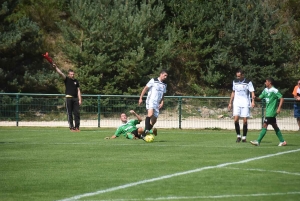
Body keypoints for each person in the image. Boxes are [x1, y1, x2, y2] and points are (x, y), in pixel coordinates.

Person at [250, 77, 287, 146]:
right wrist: (255, 98)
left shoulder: (274, 90)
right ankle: (282, 141)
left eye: (266, 81)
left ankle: (258, 141)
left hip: (271, 112)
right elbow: (260, 98)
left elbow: (282, 98)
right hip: (268, 111)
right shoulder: (265, 90)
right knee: (275, 126)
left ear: (269, 82)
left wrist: (279, 108)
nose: (265, 83)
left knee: (265, 125)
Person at [138, 69, 168, 138]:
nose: (166, 77)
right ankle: (146, 131)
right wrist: (140, 98)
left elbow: (163, 94)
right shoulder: (153, 80)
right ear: (161, 74)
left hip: (157, 103)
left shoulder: (164, 84)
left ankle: (144, 134)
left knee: (154, 120)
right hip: (151, 100)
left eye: (166, 76)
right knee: (150, 114)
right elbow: (145, 88)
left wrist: (162, 102)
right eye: (165, 75)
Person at [228, 69, 255, 143]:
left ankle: (244, 137)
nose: (238, 78)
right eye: (237, 76)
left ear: (242, 75)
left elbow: (252, 92)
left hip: (245, 103)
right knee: (236, 119)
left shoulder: (248, 82)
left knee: (245, 120)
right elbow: (233, 92)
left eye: (239, 76)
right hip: (236, 102)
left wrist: (253, 101)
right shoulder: (235, 82)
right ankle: (238, 136)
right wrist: (230, 103)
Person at [52, 63, 82, 132]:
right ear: (68, 74)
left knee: (77, 113)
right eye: (71, 74)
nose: (72, 75)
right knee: (69, 113)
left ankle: (77, 127)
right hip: (68, 98)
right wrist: (56, 67)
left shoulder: (76, 81)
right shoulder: (66, 79)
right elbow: (61, 73)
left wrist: (80, 99)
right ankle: (71, 127)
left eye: (73, 74)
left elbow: (78, 90)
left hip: (75, 99)